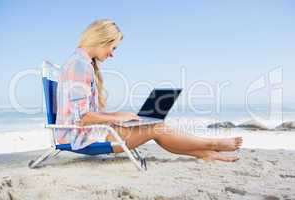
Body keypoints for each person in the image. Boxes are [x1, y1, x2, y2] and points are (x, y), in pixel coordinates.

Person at [56, 19, 243, 162]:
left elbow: (83, 114)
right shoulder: (79, 66)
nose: (112, 53)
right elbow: (82, 118)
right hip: (81, 137)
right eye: (113, 47)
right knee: (156, 128)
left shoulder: (82, 63)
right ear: (102, 39)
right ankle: (212, 144)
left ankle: (205, 153)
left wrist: (119, 116)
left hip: (89, 132)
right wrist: (117, 118)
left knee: (155, 126)